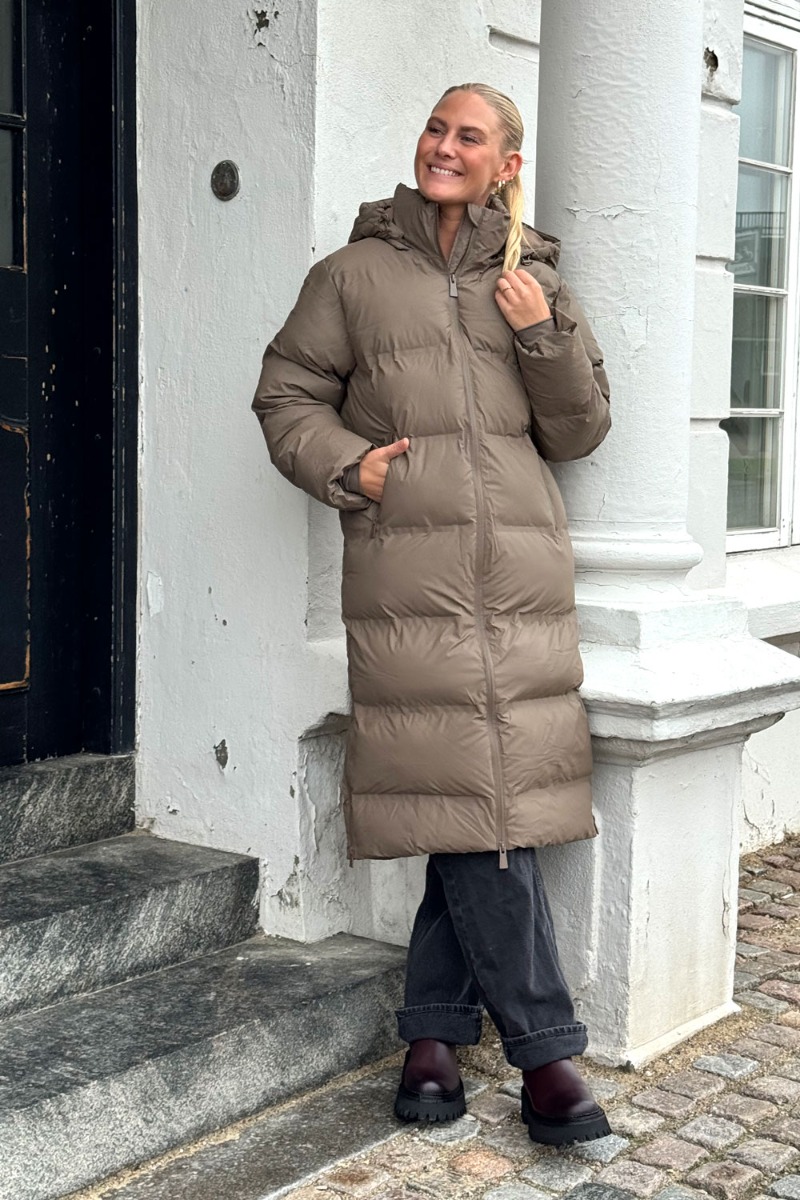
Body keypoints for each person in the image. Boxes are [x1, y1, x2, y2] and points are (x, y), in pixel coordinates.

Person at [252, 82, 612, 1146]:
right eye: (435, 127)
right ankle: (545, 1054)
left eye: (470, 136)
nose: (444, 146)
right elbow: (285, 394)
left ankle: (433, 1038)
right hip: (409, 574)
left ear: (507, 164)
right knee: (477, 796)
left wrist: (540, 335)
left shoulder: (538, 282)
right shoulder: (351, 276)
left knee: (480, 800)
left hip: (520, 576)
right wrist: (350, 469)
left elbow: (581, 429)